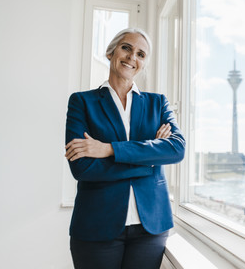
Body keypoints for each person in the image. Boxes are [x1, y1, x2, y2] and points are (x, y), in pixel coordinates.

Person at [65, 28, 185, 269]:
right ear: (111, 53)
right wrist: (150, 162)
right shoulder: (81, 102)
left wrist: (108, 149)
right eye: (126, 48)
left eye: (141, 54)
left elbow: (176, 149)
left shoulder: (158, 103)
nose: (132, 57)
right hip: (96, 226)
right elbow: (83, 167)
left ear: (144, 64)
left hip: (150, 228)